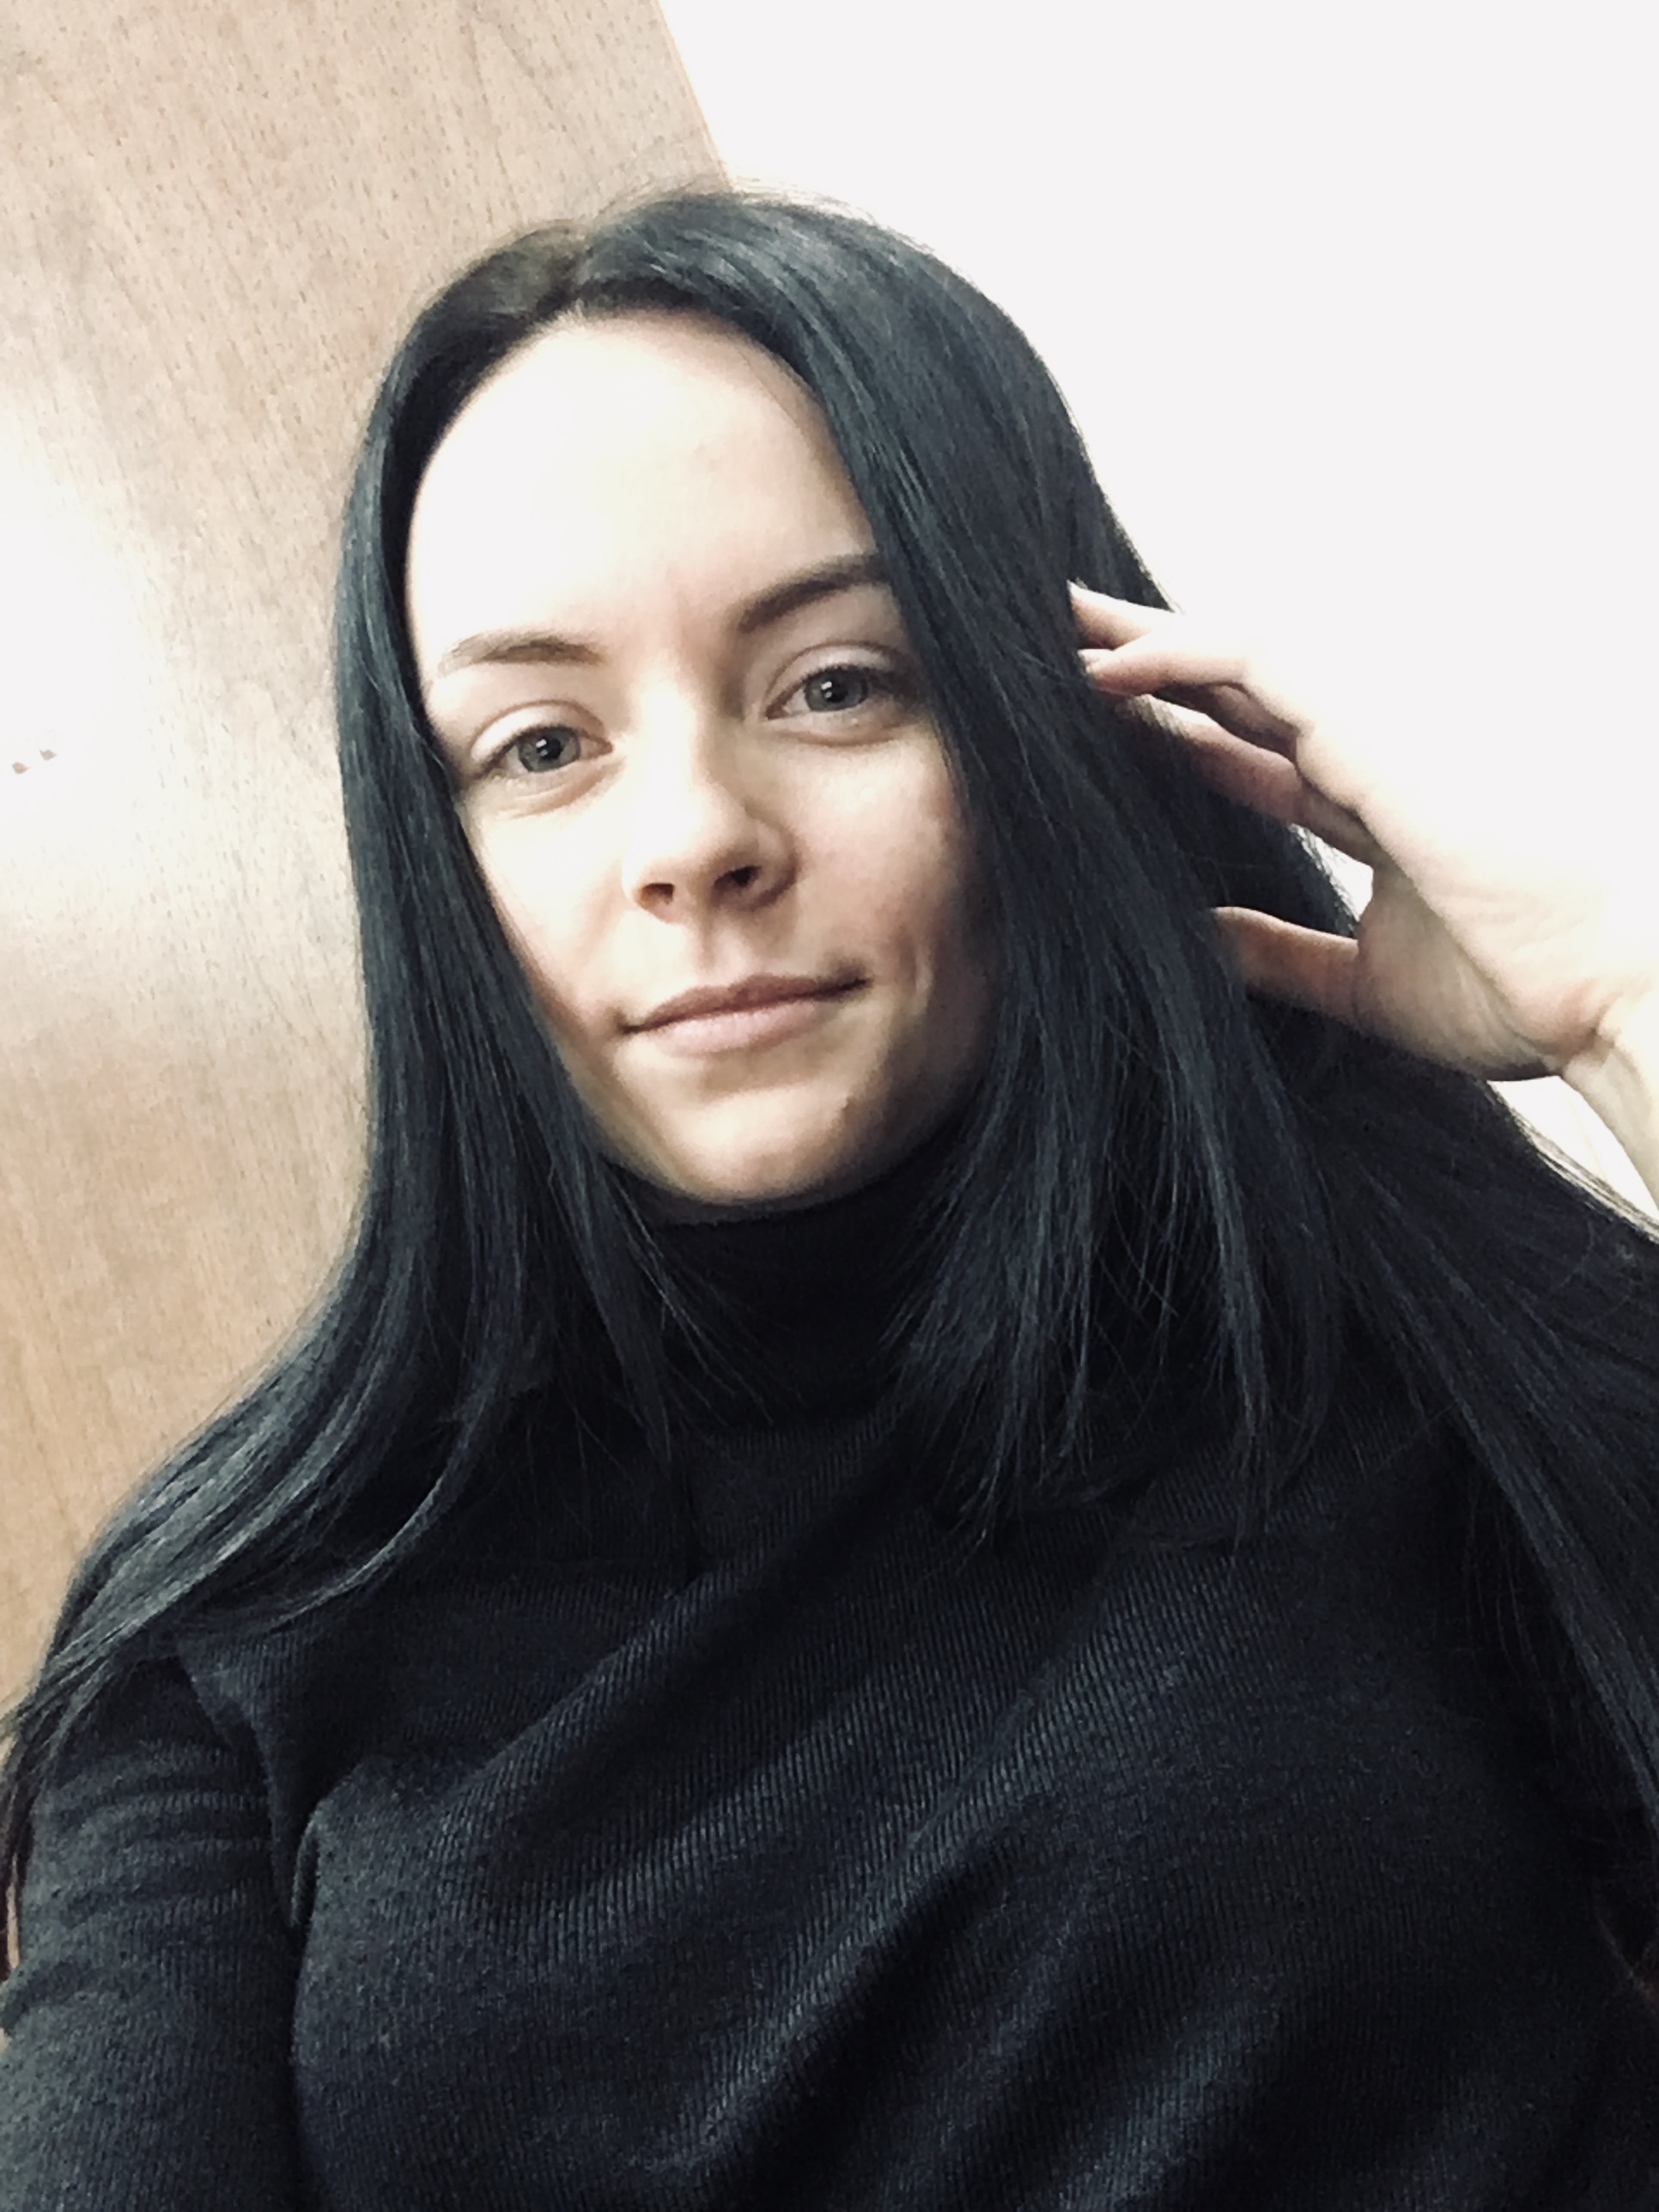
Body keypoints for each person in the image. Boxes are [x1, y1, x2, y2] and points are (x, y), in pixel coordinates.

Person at [2, 188, 1657, 2208]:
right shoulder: (237, 1620)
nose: (696, 834)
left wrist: (1621, 998)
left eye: (837, 684)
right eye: (542, 742)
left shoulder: (1404, 1324)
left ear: (1058, 715)